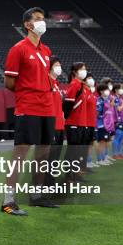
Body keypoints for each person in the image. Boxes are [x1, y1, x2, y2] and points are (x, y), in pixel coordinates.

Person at [2, 7, 58, 216]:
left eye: (43, 18)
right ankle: (8, 200)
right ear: (27, 25)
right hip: (28, 107)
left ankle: (36, 196)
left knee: (43, 154)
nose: (42, 22)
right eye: (37, 19)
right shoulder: (18, 49)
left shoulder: (46, 50)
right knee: (20, 154)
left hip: (47, 108)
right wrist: (29, 92)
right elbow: (9, 82)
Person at [63, 62, 90, 183]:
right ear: (75, 72)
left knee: (77, 150)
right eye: (82, 69)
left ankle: (75, 173)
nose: (84, 71)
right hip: (74, 123)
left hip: (81, 123)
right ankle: (69, 175)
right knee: (72, 150)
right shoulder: (74, 85)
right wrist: (69, 119)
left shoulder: (82, 85)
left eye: (85, 69)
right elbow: (67, 105)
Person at [46, 56, 65, 186]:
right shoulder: (47, 82)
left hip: (59, 125)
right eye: (56, 65)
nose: (59, 67)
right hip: (51, 125)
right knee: (49, 157)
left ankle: (51, 182)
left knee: (55, 157)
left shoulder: (57, 84)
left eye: (59, 64)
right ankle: (45, 183)